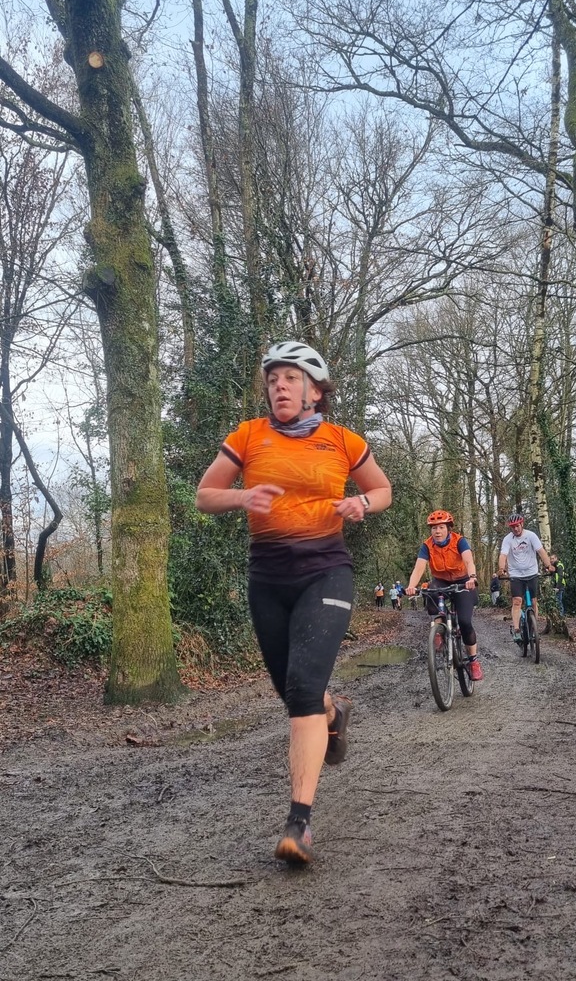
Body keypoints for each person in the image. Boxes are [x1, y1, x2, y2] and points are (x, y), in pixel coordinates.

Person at [195, 340, 392, 864]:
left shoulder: (342, 440)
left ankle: (299, 825)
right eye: (272, 379)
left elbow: (383, 490)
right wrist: (242, 496)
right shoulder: (248, 436)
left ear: (314, 391)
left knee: (301, 689)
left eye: (289, 378)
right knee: (293, 690)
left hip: (326, 571)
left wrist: (361, 502)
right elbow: (205, 495)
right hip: (267, 577)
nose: (278, 386)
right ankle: (333, 709)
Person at [405, 509, 483, 680]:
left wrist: (472, 577)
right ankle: (439, 631)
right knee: (430, 592)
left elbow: (468, 560)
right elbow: (419, 568)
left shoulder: (459, 541)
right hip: (441, 580)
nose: (437, 531)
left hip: (463, 581)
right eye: (434, 528)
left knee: (465, 622)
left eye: (441, 527)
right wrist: (411, 586)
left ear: (448, 528)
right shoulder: (427, 546)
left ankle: (473, 661)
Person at [498, 511, 554, 642]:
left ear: (522, 524)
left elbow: (541, 551)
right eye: (513, 527)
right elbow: (503, 555)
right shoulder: (508, 539)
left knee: (533, 601)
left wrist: (548, 565)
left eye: (517, 526)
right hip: (516, 575)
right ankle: (517, 630)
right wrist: (501, 569)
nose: (515, 529)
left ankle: (533, 627)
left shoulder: (531, 536)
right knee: (517, 601)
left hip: (532, 573)